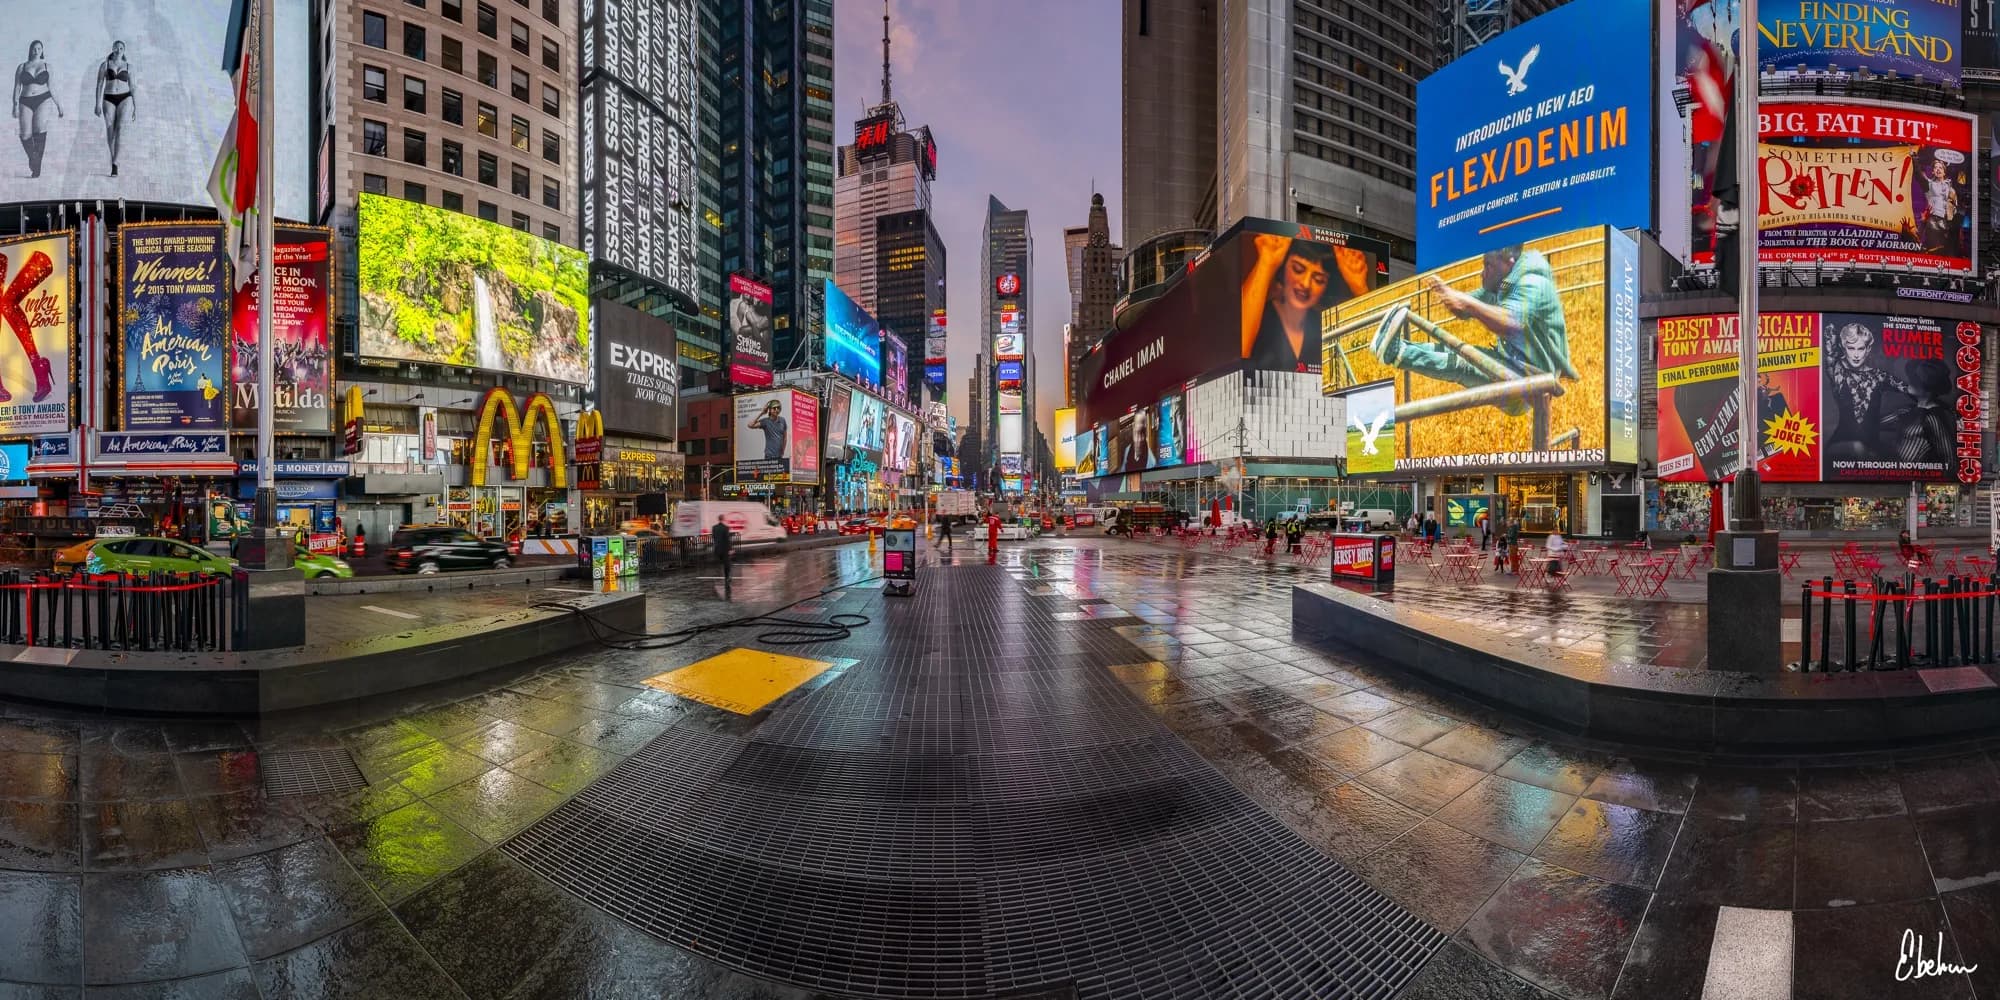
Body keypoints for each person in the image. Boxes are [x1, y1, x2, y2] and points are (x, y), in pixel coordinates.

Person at [1371, 245, 1579, 409]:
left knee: (1461, 364)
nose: (1483, 272)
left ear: (1509, 261)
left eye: (1488, 265)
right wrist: (1448, 294)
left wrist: (1466, 303)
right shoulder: (1502, 282)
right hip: (1514, 364)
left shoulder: (1533, 284)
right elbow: (1464, 308)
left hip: (1533, 384)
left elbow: (1510, 322)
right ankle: (1395, 348)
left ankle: (1395, 353)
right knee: (1453, 350)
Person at [1240, 235, 1370, 372]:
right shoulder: (1256, 316)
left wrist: (1360, 289)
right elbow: (1240, 354)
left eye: (1319, 279)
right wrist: (1266, 262)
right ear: (1283, 267)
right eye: (1298, 269)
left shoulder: (1329, 327)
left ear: (1327, 286)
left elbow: (1372, 365)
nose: (1306, 284)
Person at [12, 42, 62, 179]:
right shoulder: (22, 67)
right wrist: (15, 105)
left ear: (42, 51)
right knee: (25, 135)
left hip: (43, 99)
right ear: (30, 50)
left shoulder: (47, 66)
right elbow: (17, 87)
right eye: (34, 48)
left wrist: (59, 105)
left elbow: (53, 87)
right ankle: (34, 158)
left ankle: (37, 166)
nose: (36, 51)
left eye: (39, 48)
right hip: (25, 100)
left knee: (39, 129)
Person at [93, 41, 134, 177]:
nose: (118, 50)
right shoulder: (105, 65)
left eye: (121, 48)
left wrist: (136, 106)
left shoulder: (129, 66)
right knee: (110, 129)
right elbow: (99, 85)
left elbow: (133, 87)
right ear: (112, 49)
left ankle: (115, 163)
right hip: (108, 98)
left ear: (124, 50)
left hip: (125, 97)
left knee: (120, 128)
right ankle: (113, 159)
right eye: (116, 47)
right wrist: (97, 103)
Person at [711, 515, 734, 596]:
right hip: (724, 549)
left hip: (717, 549)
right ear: (723, 519)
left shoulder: (714, 527)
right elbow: (727, 539)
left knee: (717, 563)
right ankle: (727, 577)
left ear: (718, 519)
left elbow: (713, 537)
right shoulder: (725, 528)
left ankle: (715, 577)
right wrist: (730, 549)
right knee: (727, 564)